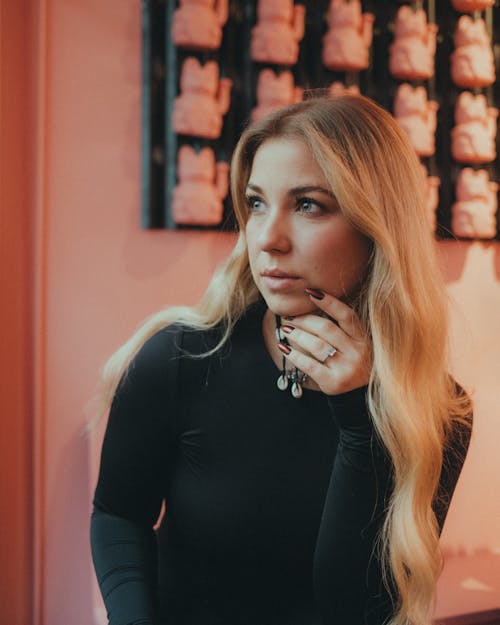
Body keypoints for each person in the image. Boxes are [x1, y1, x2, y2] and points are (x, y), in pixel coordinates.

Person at [90, 94, 473, 625]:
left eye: (309, 204)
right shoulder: (181, 359)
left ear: (376, 227)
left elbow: (357, 611)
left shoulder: (437, 410)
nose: (266, 239)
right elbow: (118, 514)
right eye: (256, 203)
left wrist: (358, 423)